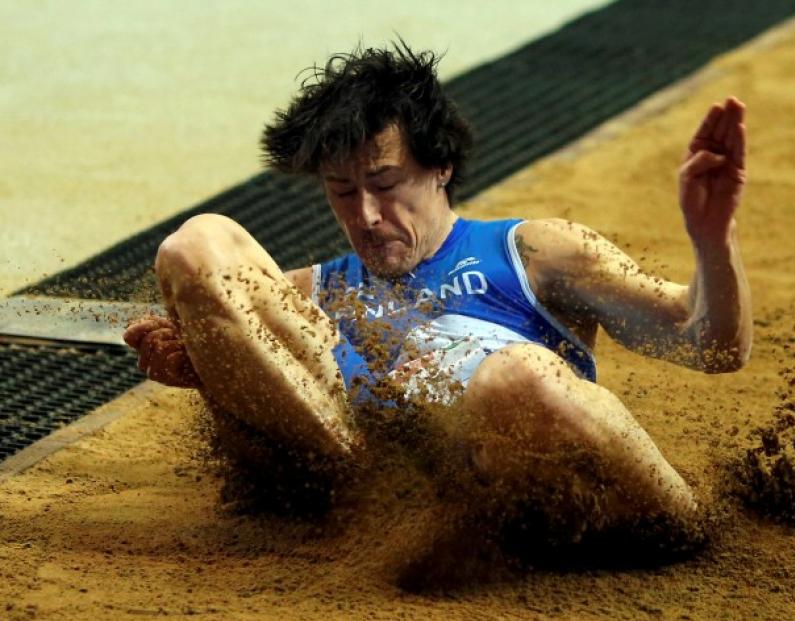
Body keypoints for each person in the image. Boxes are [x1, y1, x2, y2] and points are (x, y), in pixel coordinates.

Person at [124, 44, 751, 536]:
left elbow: (710, 344)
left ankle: (686, 528)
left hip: (525, 479)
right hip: (377, 486)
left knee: (519, 376)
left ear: (440, 165)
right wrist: (213, 366)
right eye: (342, 190)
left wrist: (712, 238)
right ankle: (372, 487)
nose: (366, 214)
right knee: (194, 245)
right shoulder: (309, 295)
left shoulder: (532, 252)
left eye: (385, 182)